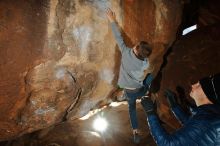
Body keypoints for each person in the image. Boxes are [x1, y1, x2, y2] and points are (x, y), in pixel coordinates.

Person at [105, 8, 154, 143]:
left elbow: (118, 37)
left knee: (131, 108)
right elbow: (145, 63)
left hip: (129, 91)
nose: (135, 44)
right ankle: (146, 93)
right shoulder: (145, 62)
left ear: (136, 49)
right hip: (140, 89)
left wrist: (112, 20)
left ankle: (135, 131)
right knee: (150, 76)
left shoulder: (126, 54)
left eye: (136, 45)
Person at [141, 73, 220, 146]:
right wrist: (175, 106)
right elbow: (192, 128)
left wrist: (150, 113)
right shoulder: (210, 116)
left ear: (208, 95)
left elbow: (166, 144)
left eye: (199, 85)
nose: (193, 85)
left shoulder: (207, 122)